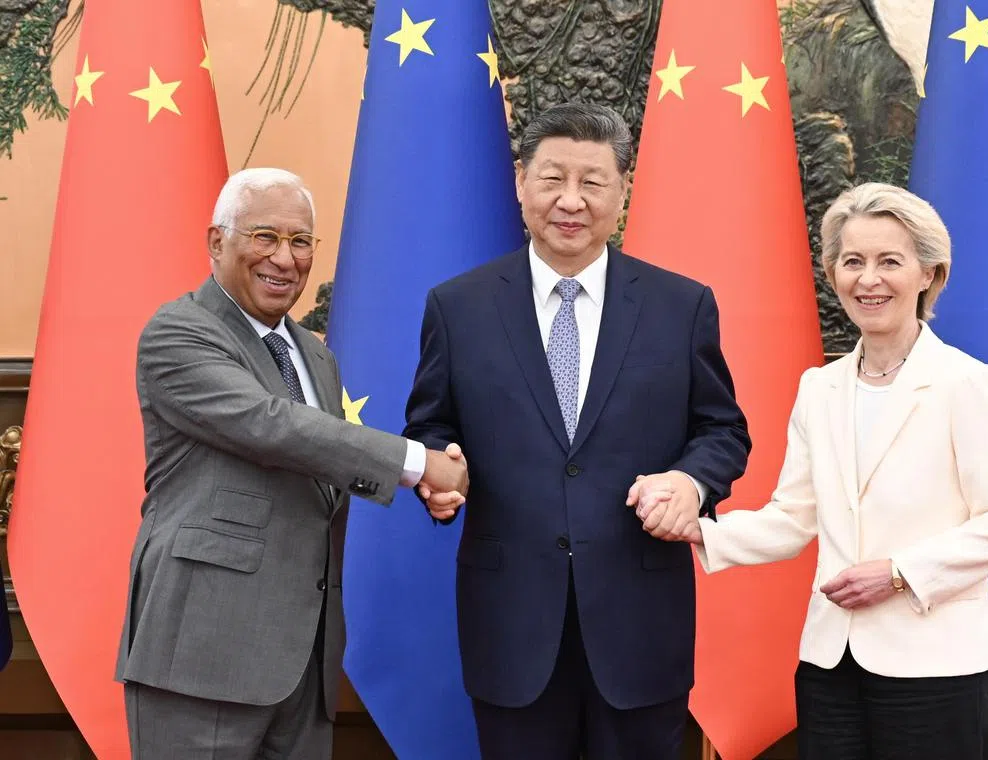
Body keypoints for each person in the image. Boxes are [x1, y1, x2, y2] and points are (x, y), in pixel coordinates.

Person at [637, 182, 988, 760]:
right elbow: (795, 517)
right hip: (829, 662)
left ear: (929, 274)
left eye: (889, 262)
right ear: (832, 274)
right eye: (853, 262)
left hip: (937, 667)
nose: (868, 279)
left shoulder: (967, 383)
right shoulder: (819, 388)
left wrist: (898, 573)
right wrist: (701, 528)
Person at [404, 103, 751, 759]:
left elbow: (722, 430)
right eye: (552, 178)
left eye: (592, 182)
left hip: (641, 623)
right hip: (511, 624)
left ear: (622, 189)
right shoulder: (458, 307)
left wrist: (691, 480)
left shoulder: (681, 306)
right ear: (519, 182)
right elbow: (431, 424)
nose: (571, 201)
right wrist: (438, 472)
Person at [114, 168, 467, 760]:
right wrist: (415, 464)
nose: (284, 258)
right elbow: (271, 426)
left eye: (301, 241)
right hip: (204, 656)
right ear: (216, 242)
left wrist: (422, 483)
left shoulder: (313, 356)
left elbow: (322, 456)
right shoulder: (179, 332)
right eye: (264, 237)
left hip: (304, 663)